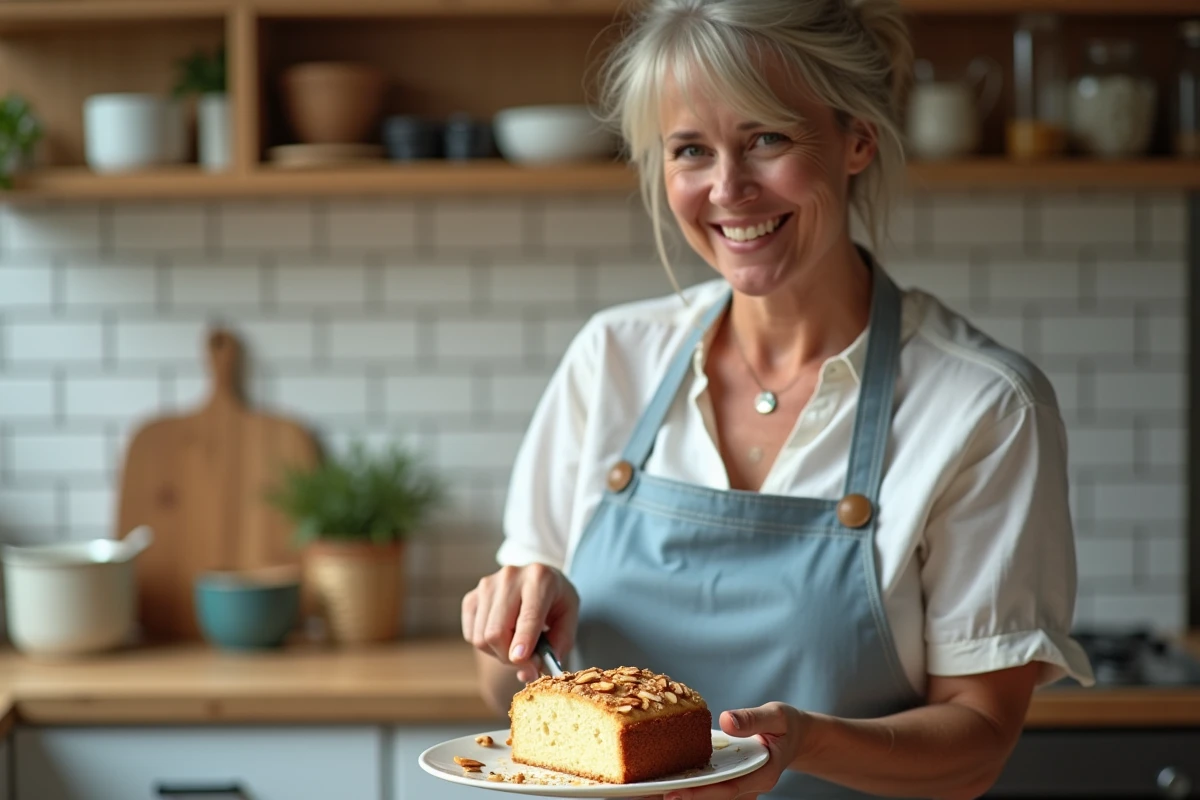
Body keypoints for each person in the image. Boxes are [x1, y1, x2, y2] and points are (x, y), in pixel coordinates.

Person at [462, 0, 1095, 797]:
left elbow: (977, 745)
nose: (729, 189)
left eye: (767, 138)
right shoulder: (610, 361)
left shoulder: (984, 407)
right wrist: (509, 638)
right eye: (691, 150)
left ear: (857, 137)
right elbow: (505, 696)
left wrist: (805, 744)